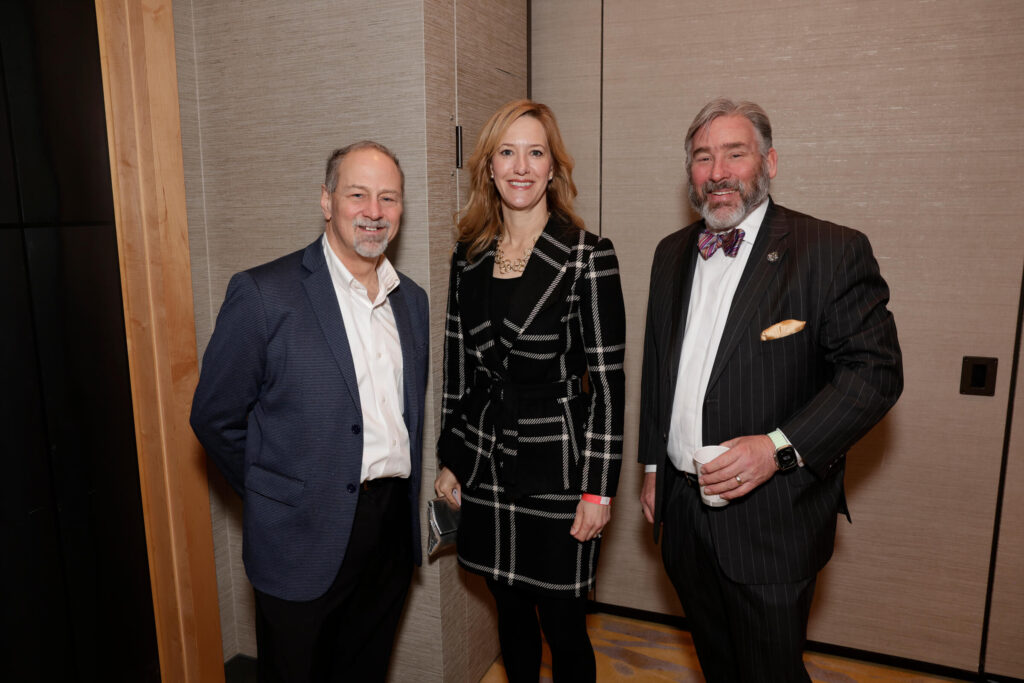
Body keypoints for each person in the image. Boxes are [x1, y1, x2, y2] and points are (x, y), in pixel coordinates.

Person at [638, 99, 903, 682]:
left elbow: (875, 373)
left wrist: (777, 447)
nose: (718, 172)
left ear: (770, 162)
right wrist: (654, 468)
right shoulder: (670, 253)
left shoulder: (829, 250)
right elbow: (659, 367)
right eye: (703, 158)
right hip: (683, 516)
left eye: (735, 153)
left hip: (772, 521)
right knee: (718, 666)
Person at [190, 141, 429, 683]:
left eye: (388, 198)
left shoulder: (410, 300)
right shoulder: (263, 294)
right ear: (326, 201)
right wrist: (275, 493)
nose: (374, 211)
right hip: (299, 537)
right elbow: (214, 416)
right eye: (357, 195)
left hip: (390, 531)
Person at [434, 100, 625, 683]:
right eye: (507, 153)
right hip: (487, 461)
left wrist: (598, 490)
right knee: (510, 616)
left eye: (535, 152)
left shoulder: (588, 255)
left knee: (564, 627)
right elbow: (458, 370)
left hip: (560, 470)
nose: (521, 167)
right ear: (489, 168)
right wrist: (451, 458)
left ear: (553, 168)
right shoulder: (467, 259)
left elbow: (609, 387)